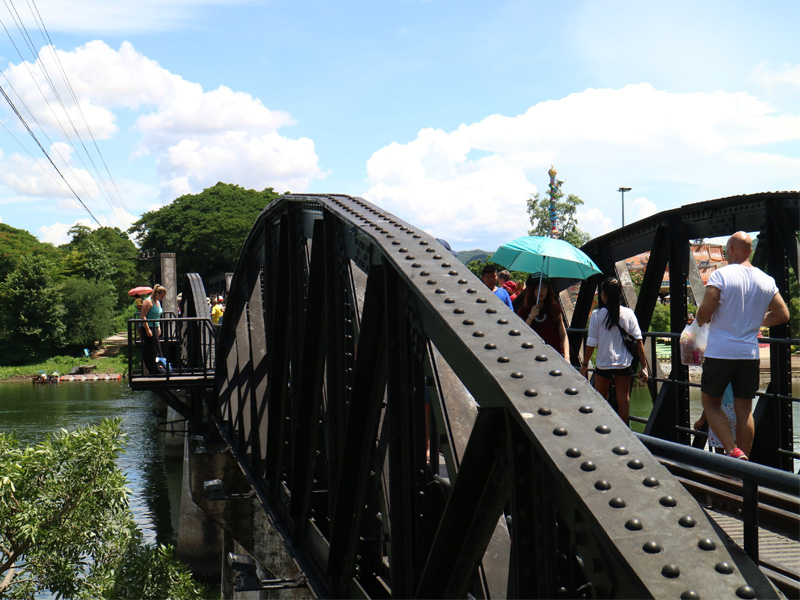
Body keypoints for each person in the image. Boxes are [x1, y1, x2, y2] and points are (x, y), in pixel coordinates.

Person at [696, 231, 789, 460]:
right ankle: (743, 468)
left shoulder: (721, 276)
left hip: (721, 353)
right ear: (750, 251)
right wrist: (759, 321)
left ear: (732, 249)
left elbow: (705, 314)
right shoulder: (766, 280)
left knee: (710, 403)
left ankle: (732, 450)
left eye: (728, 249)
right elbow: (783, 314)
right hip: (749, 354)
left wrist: (698, 319)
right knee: (745, 411)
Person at [579, 278, 649, 425]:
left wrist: (585, 364)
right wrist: (644, 367)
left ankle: (603, 427)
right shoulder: (628, 313)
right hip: (624, 363)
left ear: (604, 295)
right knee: (623, 400)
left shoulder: (597, 315)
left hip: (604, 363)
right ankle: (623, 431)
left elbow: (591, 342)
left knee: (601, 398)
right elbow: (639, 341)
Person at [516, 276, 570, 359]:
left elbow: (563, 334)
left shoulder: (555, 309)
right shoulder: (524, 311)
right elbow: (521, 334)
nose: (541, 291)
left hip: (554, 355)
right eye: (537, 288)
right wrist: (530, 317)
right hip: (532, 357)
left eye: (544, 287)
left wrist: (567, 356)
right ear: (531, 290)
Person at [694, 384, 736, 454]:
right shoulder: (736, 375)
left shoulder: (716, 377)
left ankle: (722, 463)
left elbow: (710, 403)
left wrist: (701, 420)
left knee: (719, 448)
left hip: (720, 411)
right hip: (736, 410)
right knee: (735, 446)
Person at [140, 284, 167, 374]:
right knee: (150, 349)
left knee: (157, 348)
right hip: (148, 327)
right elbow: (143, 316)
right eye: (162, 296)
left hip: (155, 326)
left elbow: (157, 316)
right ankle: (152, 370)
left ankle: (158, 369)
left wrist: (158, 326)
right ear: (156, 293)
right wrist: (147, 329)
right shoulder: (148, 302)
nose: (162, 298)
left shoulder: (157, 302)